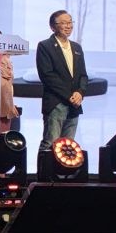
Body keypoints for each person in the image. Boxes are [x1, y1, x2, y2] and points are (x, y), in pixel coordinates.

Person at [36, 10, 88, 151]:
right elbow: (47, 75)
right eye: (63, 23)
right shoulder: (45, 46)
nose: (68, 26)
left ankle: (64, 173)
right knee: (50, 143)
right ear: (53, 27)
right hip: (56, 103)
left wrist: (80, 93)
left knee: (68, 147)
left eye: (70, 22)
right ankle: (45, 173)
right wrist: (69, 95)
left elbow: (83, 75)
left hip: (74, 104)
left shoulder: (77, 48)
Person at [0, 28, 20, 134]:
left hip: (5, 108)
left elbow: (8, 87)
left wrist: (11, 105)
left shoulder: (5, 59)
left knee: (3, 139)